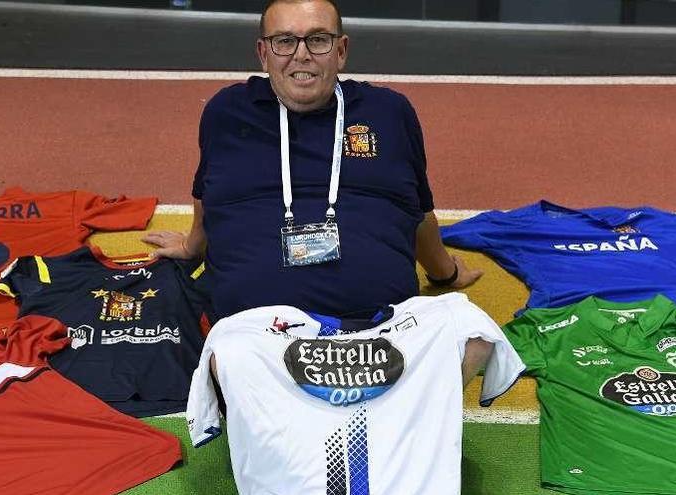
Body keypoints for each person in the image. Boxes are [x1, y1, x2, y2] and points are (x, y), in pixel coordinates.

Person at [143, 0, 483, 323]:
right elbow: (208, 194)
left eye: (318, 40)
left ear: (341, 51)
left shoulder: (389, 112)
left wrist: (445, 272)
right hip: (254, 333)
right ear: (264, 54)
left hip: (382, 329)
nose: (301, 54)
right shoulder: (227, 112)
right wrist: (192, 246)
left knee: (474, 330)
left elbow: (415, 209)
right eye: (285, 41)